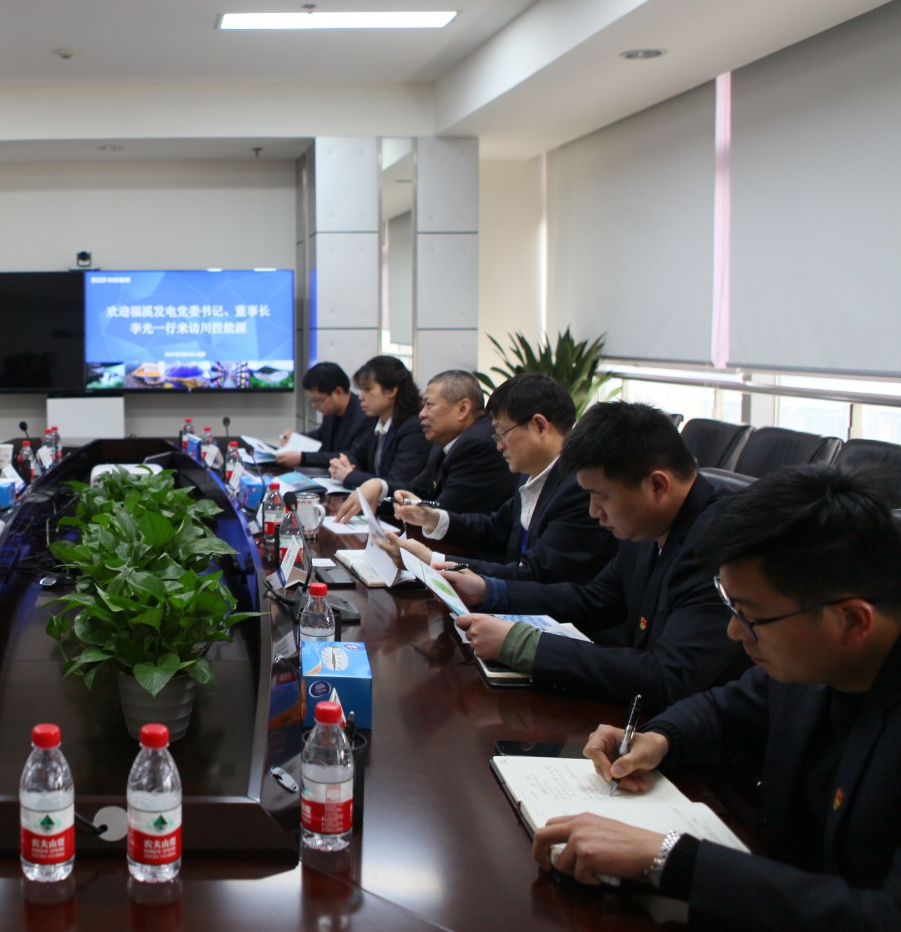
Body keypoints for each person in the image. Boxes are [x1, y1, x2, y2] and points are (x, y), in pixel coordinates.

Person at [536, 466, 901, 926]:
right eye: (731, 606)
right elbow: (726, 709)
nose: (733, 631)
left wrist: (669, 859)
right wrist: (660, 738)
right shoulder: (812, 659)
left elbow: (885, 916)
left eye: (750, 616)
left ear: (852, 621)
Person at [444, 401, 747, 711]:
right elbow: (596, 600)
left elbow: (667, 676)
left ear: (657, 485)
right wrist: (489, 590)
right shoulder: (648, 522)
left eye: (600, 496)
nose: (593, 511)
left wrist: (524, 646)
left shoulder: (721, 545)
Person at [380, 374, 616, 584]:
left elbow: (534, 574)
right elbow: (496, 529)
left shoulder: (579, 488)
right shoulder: (530, 474)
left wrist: (433, 560)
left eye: (503, 433)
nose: (499, 446)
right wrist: (432, 518)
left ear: (539, 426)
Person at [335, 369, 514, 522]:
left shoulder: (476, 444)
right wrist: (379, 488)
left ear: (462, 409)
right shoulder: (444, 441)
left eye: (429, 405)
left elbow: (442, 514)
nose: (422, 414)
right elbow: (419, 491)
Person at [328, 355, 431, 493]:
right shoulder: (378, 421)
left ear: (392, 390)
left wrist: (349, 475)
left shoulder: (413, 429)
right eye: (361, 389)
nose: (361, 397)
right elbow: (356, 455)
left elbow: (397, 482)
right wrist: (341, 464)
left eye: (367, 389)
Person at [273, 361, 371, 469]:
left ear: (338, 392)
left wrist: (303, 458)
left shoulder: (364, 415)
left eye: (318, 400)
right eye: (312, 400)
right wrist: (293, 438)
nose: (314, 406)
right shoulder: (331, 413)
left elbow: (352, 457)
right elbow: (320, 436)